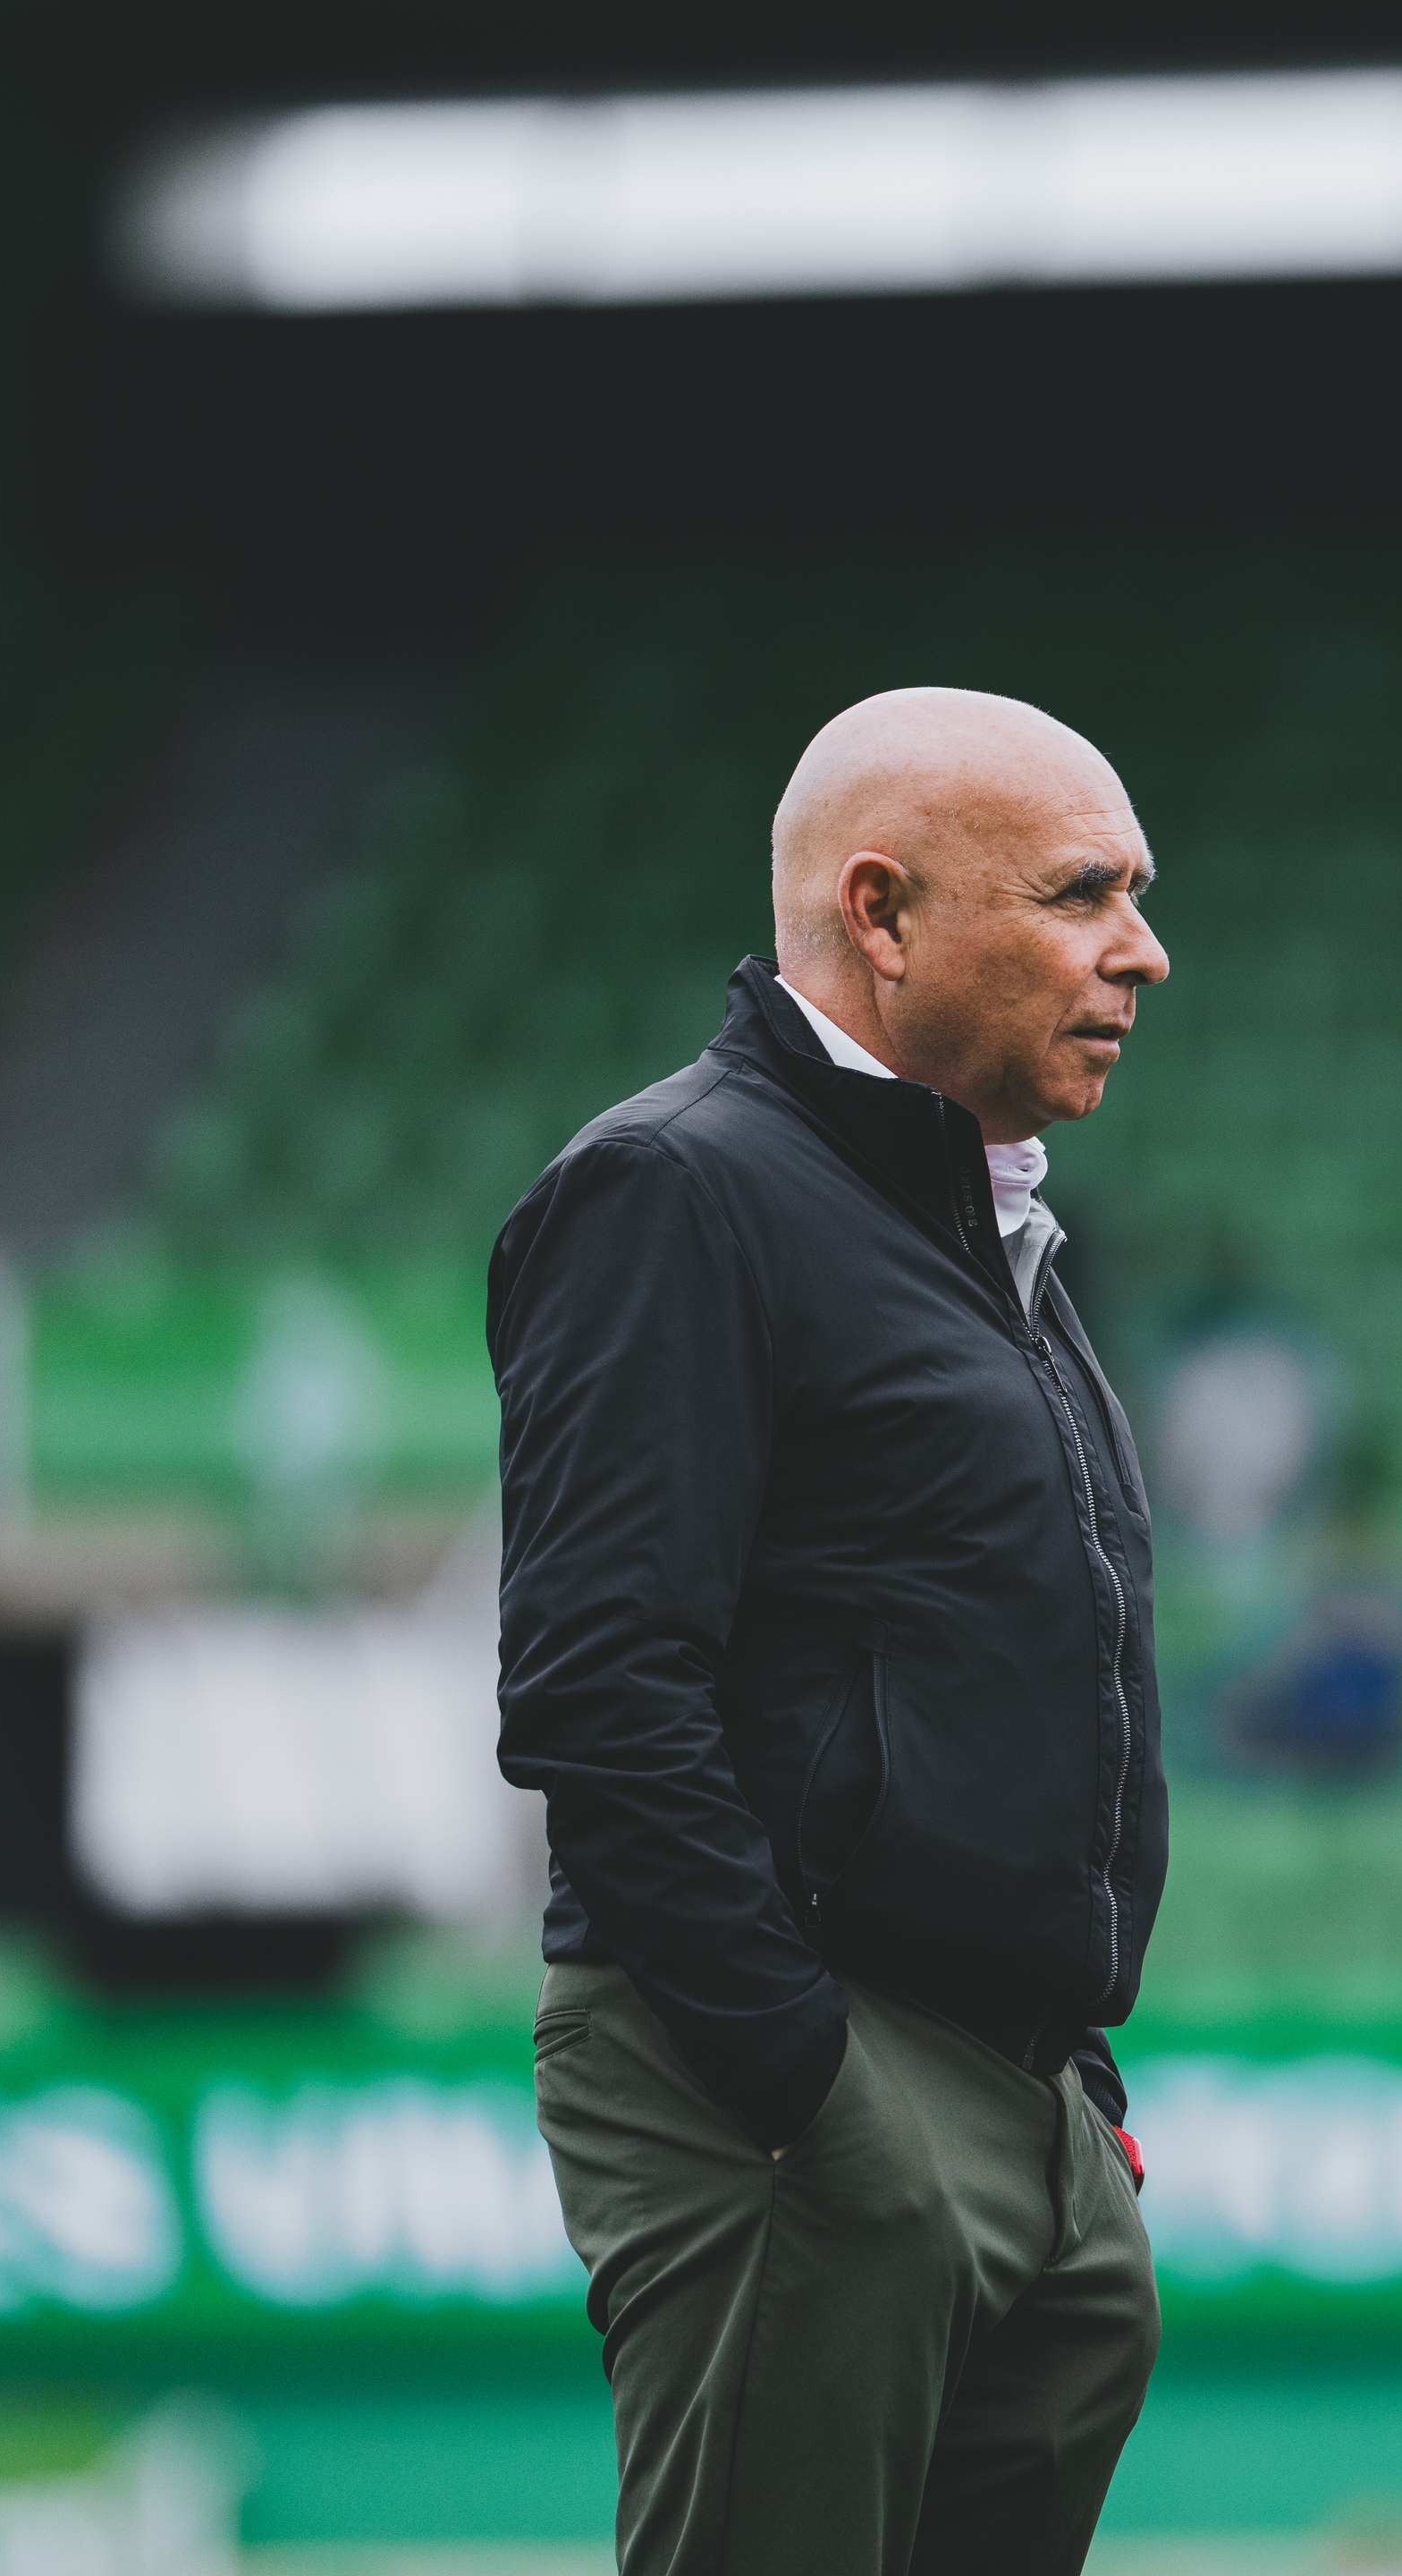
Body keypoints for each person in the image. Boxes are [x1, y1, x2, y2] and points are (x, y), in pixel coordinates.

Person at [494, 688, 1174, 2573]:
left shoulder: (988, 1220)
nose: (1143, 951)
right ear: (880, 916)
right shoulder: (675, 1189)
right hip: (804, 2080)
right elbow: (597, 1689)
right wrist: (807, 2080)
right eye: (1079, 895)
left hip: (1016, 2093)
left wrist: (1065, 2098)